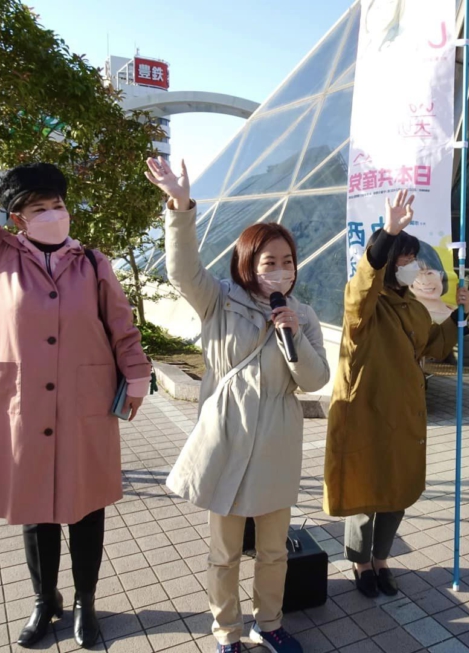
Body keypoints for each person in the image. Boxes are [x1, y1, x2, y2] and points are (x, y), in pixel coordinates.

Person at [0, 74, 150, 649]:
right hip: (22, 406)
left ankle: (86, 605)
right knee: (37, 510)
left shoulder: (93, 263)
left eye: (58, 204)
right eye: (38, 207)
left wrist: (137, 376)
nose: (52, 214)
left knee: (87, 508)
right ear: (17, 218)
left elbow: (121, 326)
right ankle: (41, 601)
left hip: (85, 406)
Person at [145, 157, 329, 653]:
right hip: (226, 439)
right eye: (269, 262)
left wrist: (293, 332)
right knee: (224, 553)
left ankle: (268, 624)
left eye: (287, 261)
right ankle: (225, 631)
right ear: (248, 263)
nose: (280, 270)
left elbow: (315, 380)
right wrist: (180, 207)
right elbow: (182, 268)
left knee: (273, 551)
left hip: (276, 443)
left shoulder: (303, 315)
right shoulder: (219, 301)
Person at [324, 191, 469, 598]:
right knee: (364, 492)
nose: (413, 267)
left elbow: (434, 348)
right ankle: (360, 561)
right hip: (367, 414)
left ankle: (382, 558)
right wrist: (387, 234)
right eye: (404, 260)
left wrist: (458, 313)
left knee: (397, 491)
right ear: (387, 265)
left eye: (412, 259)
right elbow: (361, 288)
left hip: (405, 414)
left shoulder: (414, 307)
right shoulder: (365, 306)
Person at [411, 240, 457, 324]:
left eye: (430, 273)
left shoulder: (456, 311)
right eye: (416, 274)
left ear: (441, 275)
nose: (425, 282)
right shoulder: (408, 317)